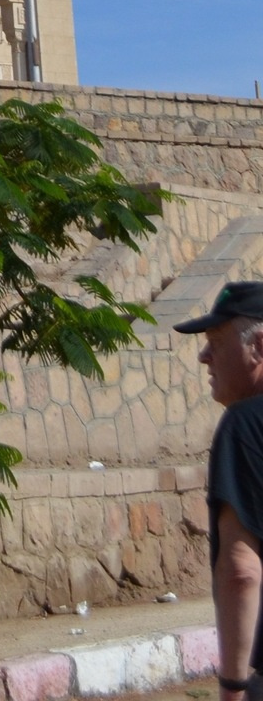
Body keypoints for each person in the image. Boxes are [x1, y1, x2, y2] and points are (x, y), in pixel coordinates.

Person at [176, 279, 263, 698]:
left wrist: (233, 687)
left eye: (216, 340)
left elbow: (241, 571)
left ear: (258, 346)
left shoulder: (245, 426)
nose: (203, 355)